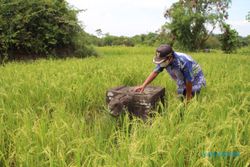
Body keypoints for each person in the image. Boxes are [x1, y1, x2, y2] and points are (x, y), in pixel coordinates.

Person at [135, 44, 206, 101]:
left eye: (162, 61)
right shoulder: (165, 60)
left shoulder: (183, 62)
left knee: (192, 98)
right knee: (181, 96)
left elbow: (189, 80)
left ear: (170, 57)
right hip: (181, 79)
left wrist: (188, 96)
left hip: (195, 80)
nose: (161, 63)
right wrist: (143, 85)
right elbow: (155, 72)